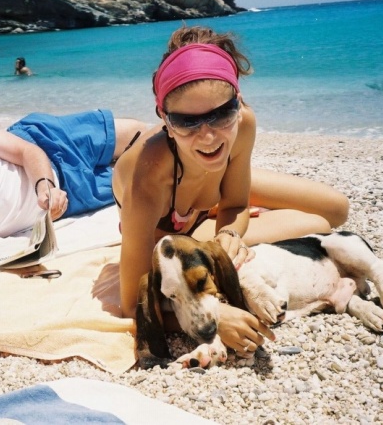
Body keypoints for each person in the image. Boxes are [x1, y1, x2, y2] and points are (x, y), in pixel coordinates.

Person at [111, 26, 349, 356]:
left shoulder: (243, 123)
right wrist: (214, 317)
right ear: (164, 118)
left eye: (222, 114)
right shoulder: (150, 173)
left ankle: (218, 221)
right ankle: (216, 222)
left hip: (210, 184)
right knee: (318, 225)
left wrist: (230, 233)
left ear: (238, 101)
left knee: (336, 209)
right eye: (187, 122)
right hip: (171, 230)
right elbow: (130, 303)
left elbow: (235, 203)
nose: (208, 136)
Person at [0, 110, 147, 257]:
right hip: (71, 198)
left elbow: (25, 150)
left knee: (141, 135)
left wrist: (45, 185)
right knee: (143, 177)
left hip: (47, 142)